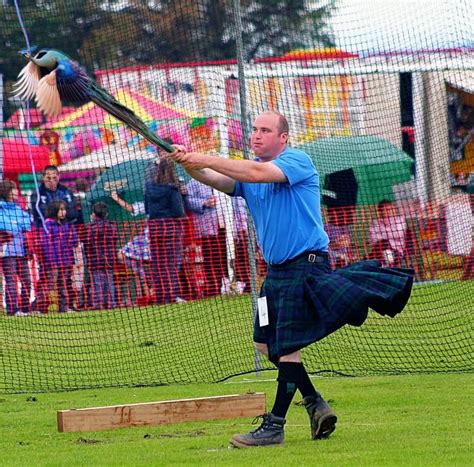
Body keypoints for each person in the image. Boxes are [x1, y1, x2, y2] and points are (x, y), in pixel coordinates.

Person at [170, 111, 414, 448]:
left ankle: (275, 425)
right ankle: (314, 402)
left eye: (265, 130)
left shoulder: (295, 161)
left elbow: (255, 172)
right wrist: (187, 163)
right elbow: (218, 179)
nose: (257, 136)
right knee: (264, 344)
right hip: (276, 274)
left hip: (305, 267)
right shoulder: (249, 178)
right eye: (254, 130)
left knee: (287, 348)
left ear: (283, 138)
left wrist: (201, 156)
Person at [144, 156, 186, 304]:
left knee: (158, 264)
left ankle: (161, 297)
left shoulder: (148, 188)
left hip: (154, 228)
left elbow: (147, 208)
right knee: (171, 264)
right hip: (170, 228)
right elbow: (178, 211)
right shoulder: (172, 188)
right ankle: (172, 295)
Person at [185, 179, 228, 297]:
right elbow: (187, 201)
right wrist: (204, 203)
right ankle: (213, 288)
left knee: (227, 257)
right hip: (208, 229)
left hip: (227, 227)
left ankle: (231, 285)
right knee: (211, 260)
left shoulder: (223, 178)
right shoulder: (194, 182)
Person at [35, 200, 79, 313]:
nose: (63, 212)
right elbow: (45, 244)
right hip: (51, 262)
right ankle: (40, 308)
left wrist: (73, 236)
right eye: (60, 209)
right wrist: (52, 261)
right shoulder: (47, 225)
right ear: (54, 211)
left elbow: (74, 241)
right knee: (47, 284)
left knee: (63, 285)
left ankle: (63, 308)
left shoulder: (68, 225)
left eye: (64, 209)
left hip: (65, 260)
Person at [0, 180, 33, 316]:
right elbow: (6, 227)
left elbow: (27, 224)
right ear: (7, 191)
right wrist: (16, 226)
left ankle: (25, 308)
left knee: (27, 280)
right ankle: (13, 310)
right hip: (7, 251)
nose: (16, 192)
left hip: (21, 250)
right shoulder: (1, 209)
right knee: (11, 280)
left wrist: (16, 225)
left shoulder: (18, 209)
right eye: (13, 189)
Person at [84, 202, 118, 310]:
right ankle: (111, 302)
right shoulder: (111, 226)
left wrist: (89, 257)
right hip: (109, 258)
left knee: (98, 283)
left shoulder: (91, 228)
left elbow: (88, 244)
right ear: (106, 214)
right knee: (109, 282)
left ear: (94, 214)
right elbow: (115, 240)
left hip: (95, 259)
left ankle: (98, 303)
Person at [369, 200, 407, 267]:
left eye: (390, 209)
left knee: (386, 246)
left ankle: (388, 267)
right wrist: (387, 232)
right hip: (379, 251)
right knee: (382, 244)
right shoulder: (375, 223)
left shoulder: (400, 220)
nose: (388, 212)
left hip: (397, 252)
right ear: (380, 212)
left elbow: (398, 234)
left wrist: (384, 231)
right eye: (385, 210)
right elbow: (373, 240)